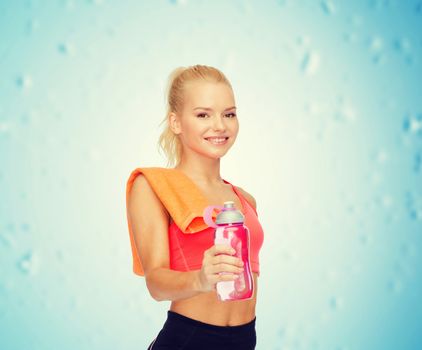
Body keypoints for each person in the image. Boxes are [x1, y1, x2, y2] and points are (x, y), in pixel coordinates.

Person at [126, 64, 264, 349]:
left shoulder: (244, 200)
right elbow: (156, 282)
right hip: (190, 339)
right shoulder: (154, 186)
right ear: (176, 122)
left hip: (244, 339)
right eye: (203, 115)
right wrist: (201, 279)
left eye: (229, 114)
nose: (220, 126)